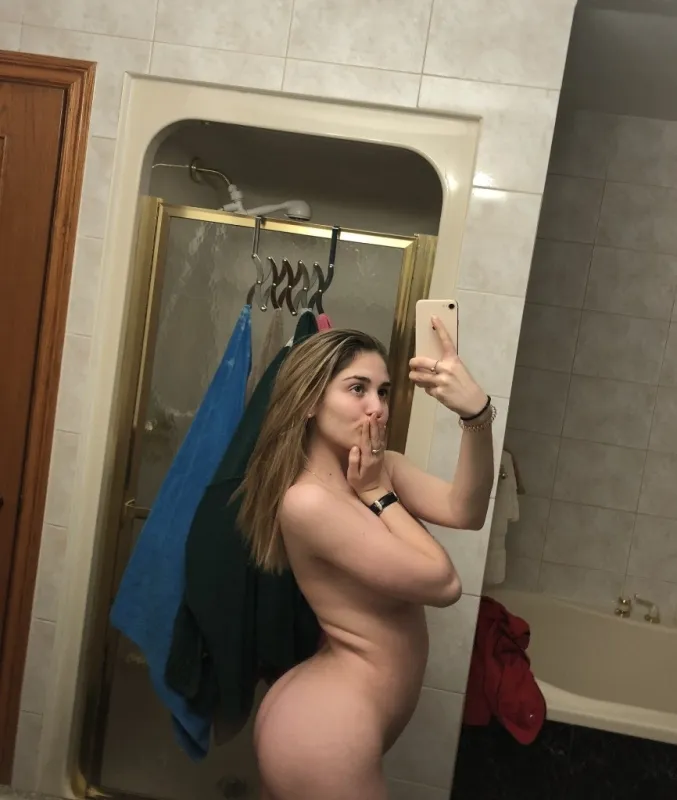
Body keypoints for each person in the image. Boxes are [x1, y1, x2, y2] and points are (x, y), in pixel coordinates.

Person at [237, 316, 495, 800]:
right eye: (357, 389)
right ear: (310, 401)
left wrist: (476, 416)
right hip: (322, 731)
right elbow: (443, 584)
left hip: (327, 714)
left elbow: (467, 510)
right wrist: (378, 495)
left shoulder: (382, 468)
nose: (377, 407)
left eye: (383, 391)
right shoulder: (308, 501)